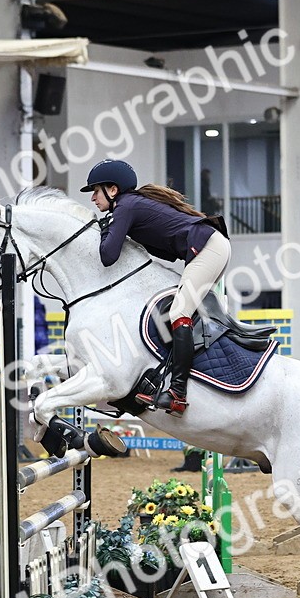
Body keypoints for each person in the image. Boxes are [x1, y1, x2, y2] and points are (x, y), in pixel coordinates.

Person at [81, 158, 230, 418]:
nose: (93, 198)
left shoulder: (125, 207)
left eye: (96, 190)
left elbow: (108, 256)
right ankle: (163, 381)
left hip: (208, 248)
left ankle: (178, 394)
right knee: (175, 316)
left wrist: (104, 231)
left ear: (112, 190)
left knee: (178, 314)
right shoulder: (129, 206)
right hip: (209, 246)